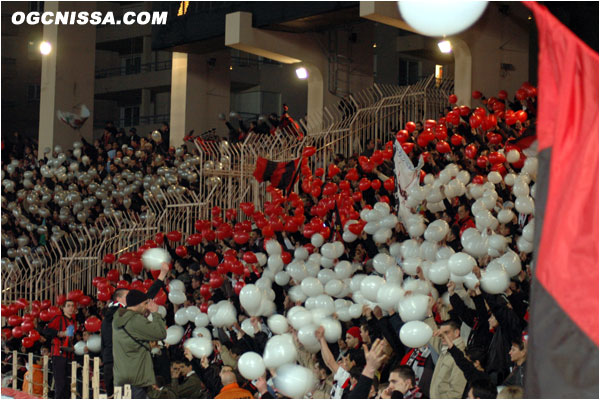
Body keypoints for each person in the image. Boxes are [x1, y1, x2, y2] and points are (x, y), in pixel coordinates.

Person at [101, 263, 170, 397]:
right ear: (119, 299)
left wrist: (161, 276)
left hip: (117, 366)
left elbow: (144, 299)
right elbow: (160, 332)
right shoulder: (121, 314)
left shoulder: (117, 315)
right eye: (128, 296)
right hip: (130, 367)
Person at [112, 290, 167, 398]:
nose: (146, 307)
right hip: (136, 378)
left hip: (120, 376)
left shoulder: (118, 318)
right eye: (145, 303)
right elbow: (161, 333)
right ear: (137, 304)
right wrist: (156, 314)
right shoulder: (135, 320)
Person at [425, 299, 468, 399]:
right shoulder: (445, 350)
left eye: (446, 332)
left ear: (457, 333)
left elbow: (456, 392)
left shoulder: (461, 356)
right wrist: (429, 314)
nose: (442, 336)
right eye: (441, 333)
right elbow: (433, 337)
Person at [42, 299, 77, 399]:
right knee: (60, 383)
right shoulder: (58, 318)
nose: (71, 308)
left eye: (72, 306)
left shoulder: (73, 321)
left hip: (69, 355)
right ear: (63, 308)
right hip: (58, 354)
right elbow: (46, 330)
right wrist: (59, 333)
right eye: (68, 306)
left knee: (67, 384)